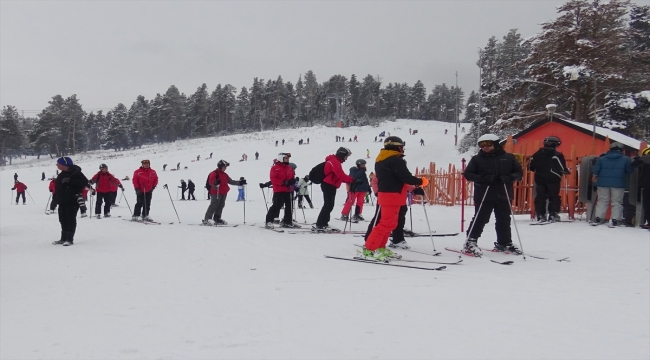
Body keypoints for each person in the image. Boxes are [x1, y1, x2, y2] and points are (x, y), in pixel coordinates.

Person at [361, 137, 428, 262]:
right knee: (385, 223)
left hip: (393, 196)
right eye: (401, 146)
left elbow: (396, 178)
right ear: (396, 147)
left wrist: (413, 188)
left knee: (391, 224)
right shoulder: (395, 160)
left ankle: (380, 247)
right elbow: (405, 177)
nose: (402, 149)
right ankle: (369, 249)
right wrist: (421, 181)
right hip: (391, 196)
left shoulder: (382, 159)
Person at [462, 134, 523, 257]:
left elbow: (519, 173)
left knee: (504, 219)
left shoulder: (508, 158)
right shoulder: (477, 159)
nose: (485, 147)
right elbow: (468, 174)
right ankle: (470, 242)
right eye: (482, 145)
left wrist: (509, 178)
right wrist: (484, 178)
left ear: (496, 144)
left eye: (488, 144)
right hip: (484, 193)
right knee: (481, 218)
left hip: (503, 193)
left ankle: (504, 242)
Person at [591, 142, 634, 226]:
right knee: (617, 202)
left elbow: (595, 171)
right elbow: (630, 171)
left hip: (602, 183)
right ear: (622, 150)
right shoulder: (626, 159)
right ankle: (615, 219)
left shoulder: (602, 159)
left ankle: (599, 218)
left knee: (602, 201)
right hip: (618, 184)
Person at [528, 136, 569, 222]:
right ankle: (553, 214)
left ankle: (540, 215)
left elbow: (531, 167)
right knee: (553, 196)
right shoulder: (557, 154)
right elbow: (562, 167)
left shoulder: (536, 154)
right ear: (554, 144)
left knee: (540, 196)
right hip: (553, 178)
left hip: (539, 178)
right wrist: (565, 172)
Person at [313, 147, 354, 232]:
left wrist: (350, 180)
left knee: (329, 205)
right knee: (328, 205)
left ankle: (323, 223)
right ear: (342, 155)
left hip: (330, 185)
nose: (346, 158)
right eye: (346, 156)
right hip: (328, 185)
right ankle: (321, 224)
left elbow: (339, 177)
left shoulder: (335, 161)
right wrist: (352, 180)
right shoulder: (334, 162)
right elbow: (341, 175)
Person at [51, 157, 89, 246]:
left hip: (72, 200)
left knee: (70, 220)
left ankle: (69, 239)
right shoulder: (61, 174)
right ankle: (63, 238)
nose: (57, 165)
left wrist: (71, 181)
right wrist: (55, 198)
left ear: (65, 164)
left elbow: (85, 183)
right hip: (62, 201)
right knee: (62, 220)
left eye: (58, 163)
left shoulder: (76, 172)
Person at [203, 160, 246, 225]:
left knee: (221, 205)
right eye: (224, 167)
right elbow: (211, 181)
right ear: (220, 166)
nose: (225, 168)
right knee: (214, 205)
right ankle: (207, 219)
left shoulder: (225, 175)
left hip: (223, 192)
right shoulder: (214, 173)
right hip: (215, 192)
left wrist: (240, 182)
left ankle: (217, 218)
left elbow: (231, 181)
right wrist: (215, 183)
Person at [264, 153, 300, 229]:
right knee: (277, 205)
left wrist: (295, 185)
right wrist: (283, 182)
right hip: (279, 190)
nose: (287, 160)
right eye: (286, 158)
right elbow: (273, 179)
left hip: (288, 190)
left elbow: (292, 178)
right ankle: (269, 221)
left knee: (289, 206)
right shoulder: (275, 168)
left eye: (288, 159)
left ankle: (287, 221)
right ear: (281, 159)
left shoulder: (289, 168)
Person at [632, 147, 650, 229]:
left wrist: (636, 158)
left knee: (647, 205)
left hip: (647, 185)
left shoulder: (644, 158)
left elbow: (634, 165)